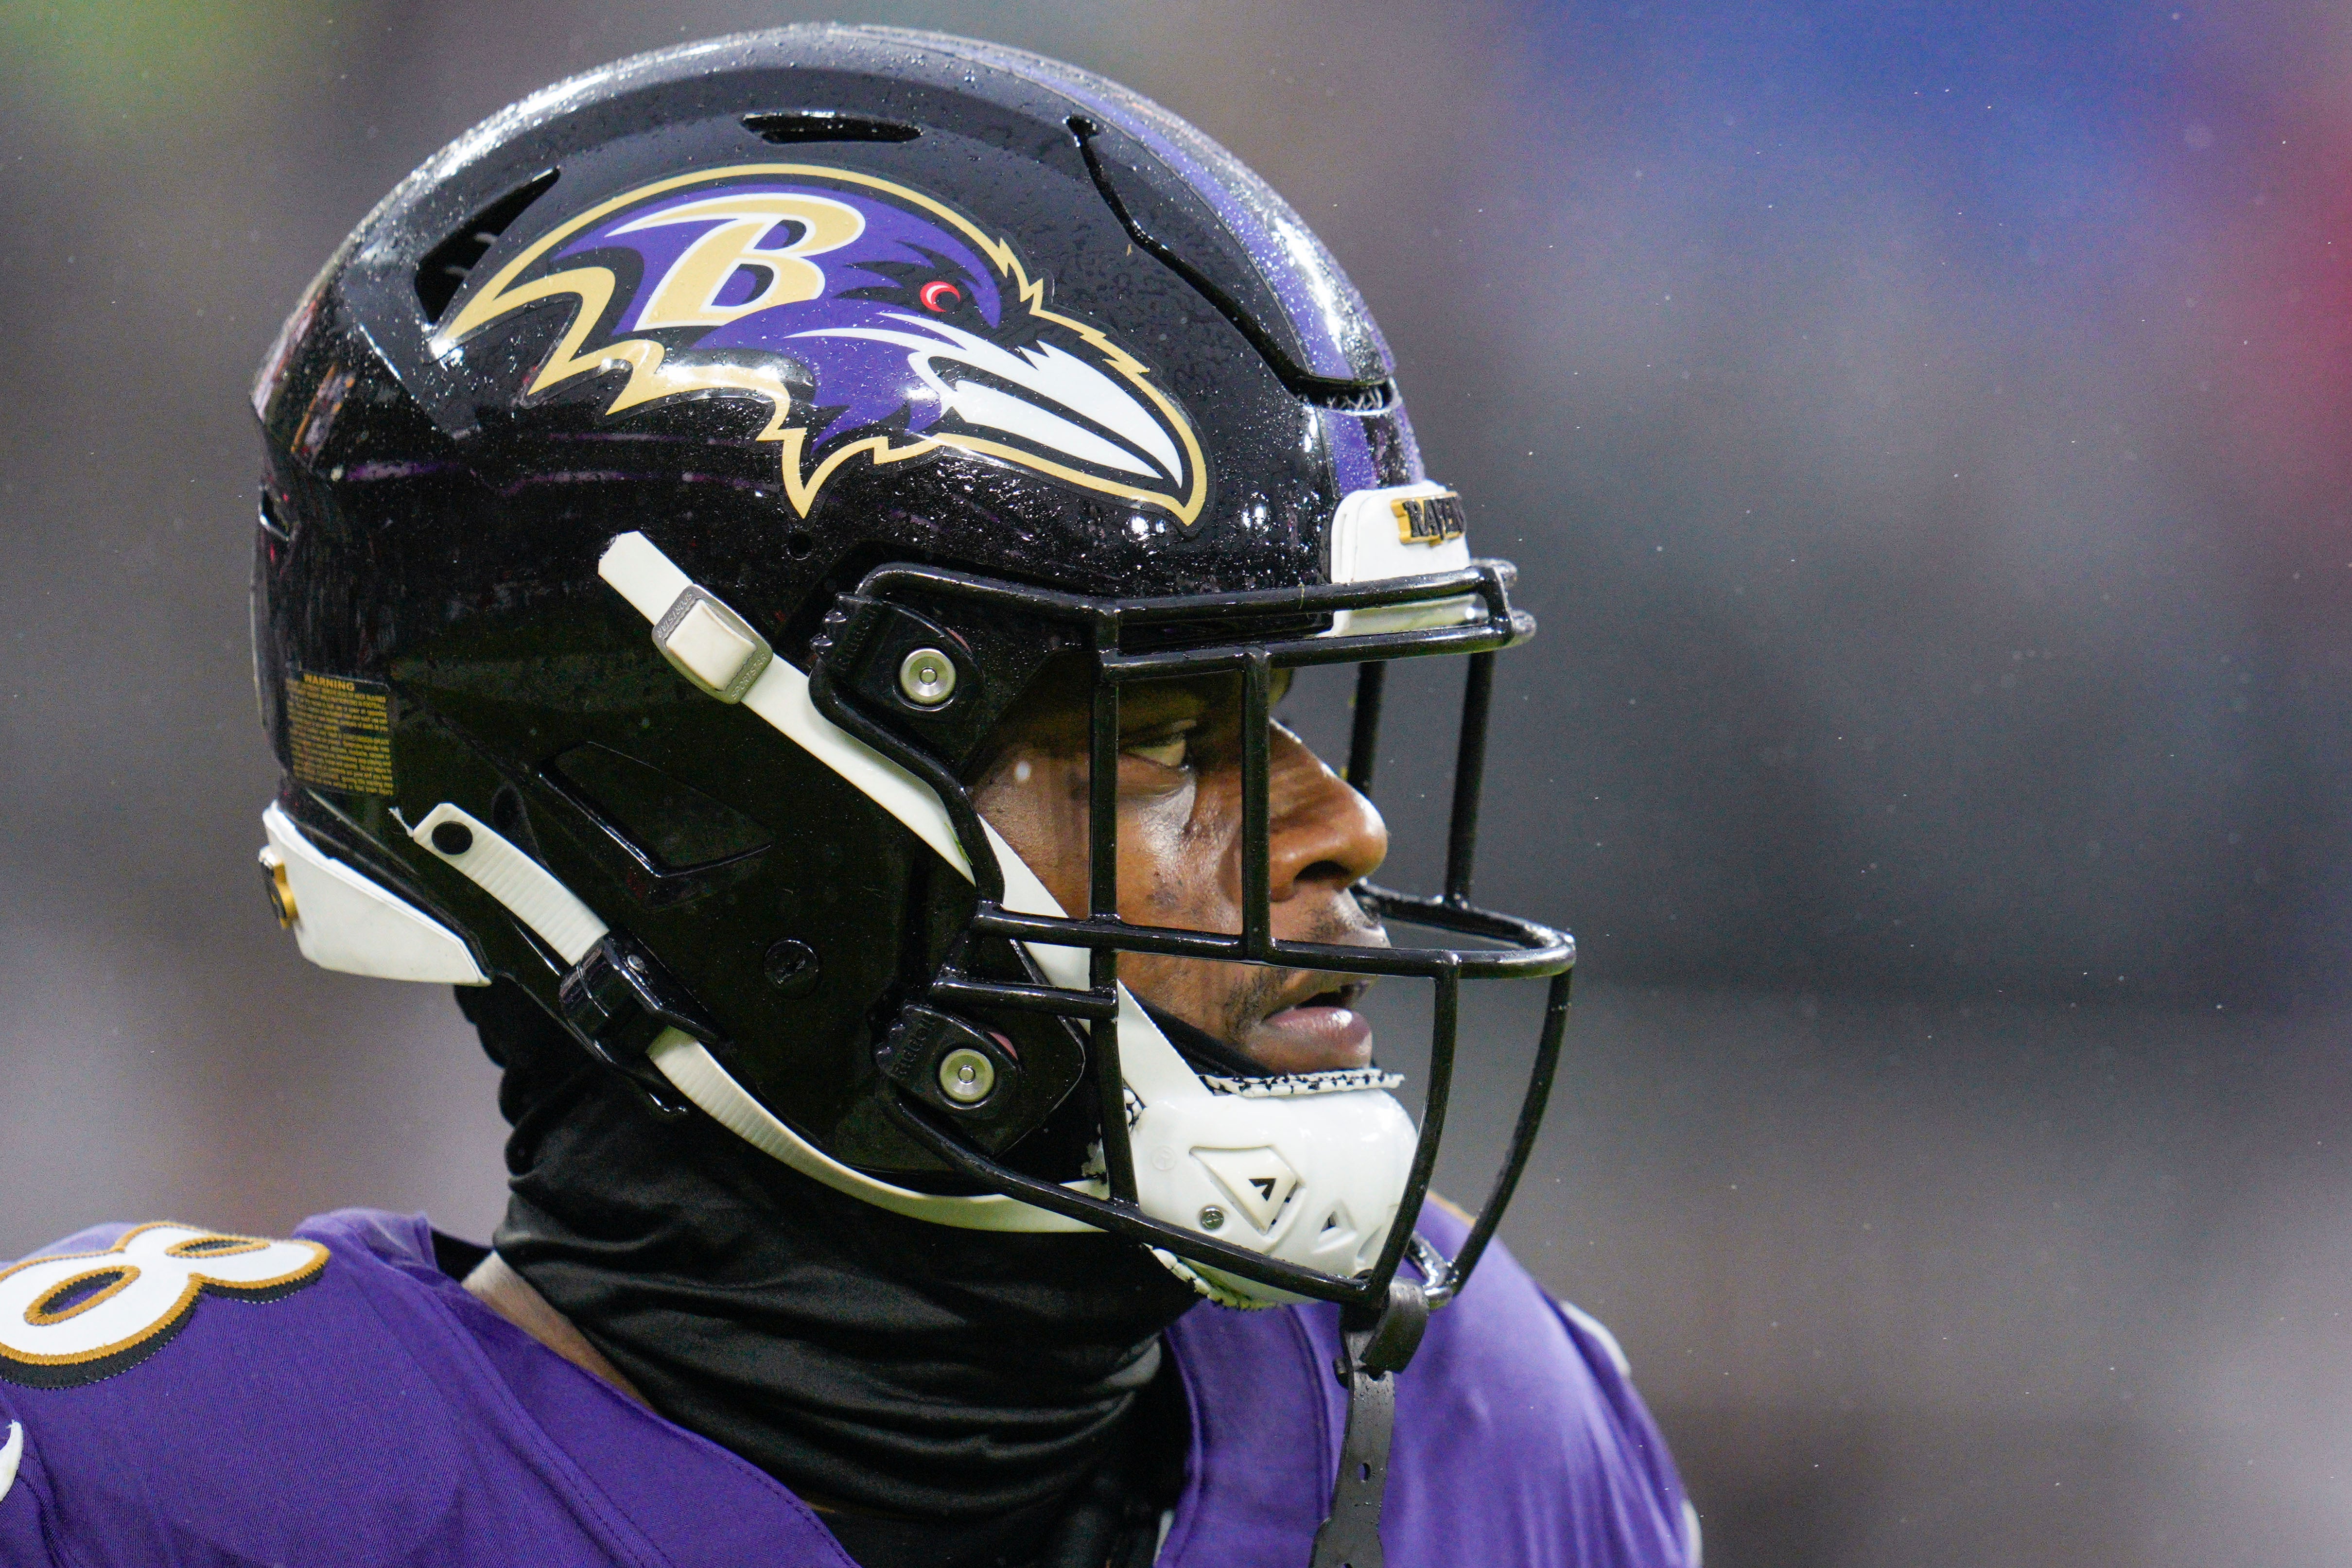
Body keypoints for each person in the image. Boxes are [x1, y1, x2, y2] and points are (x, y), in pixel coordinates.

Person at [0, 26, 1697, 1568]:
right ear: (725, 841)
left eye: (1283, 710)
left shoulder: (1486, 1442)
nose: (1346, 829)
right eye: (1165, 736)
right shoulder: (175, 1505)